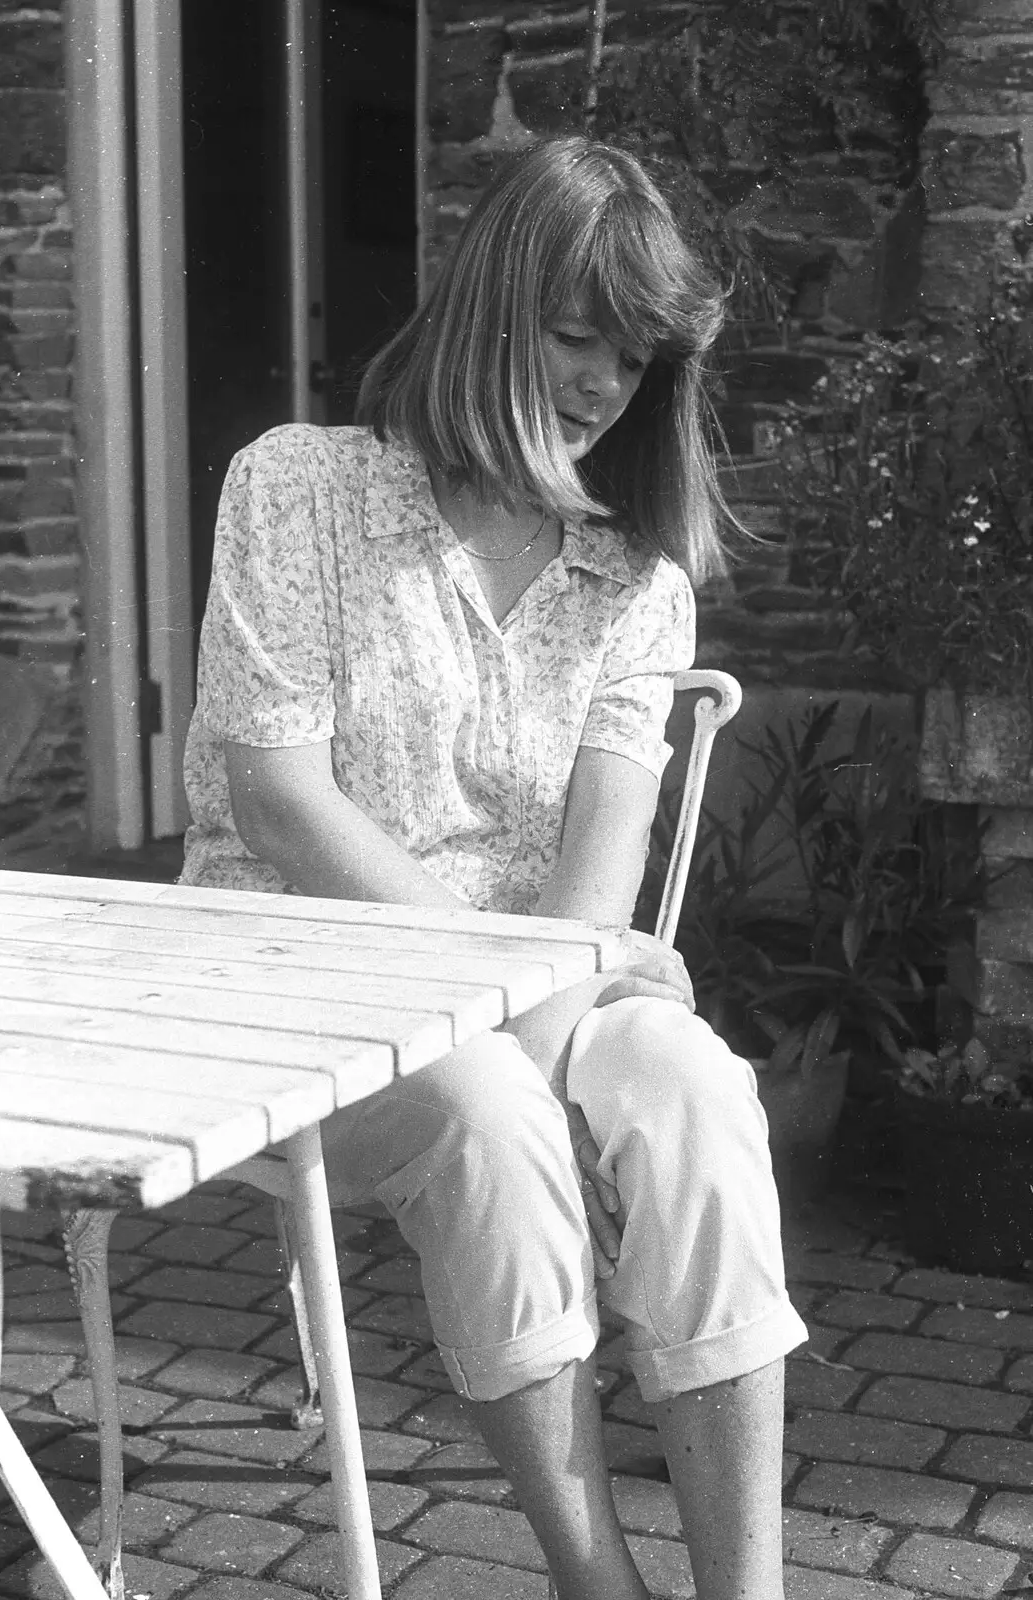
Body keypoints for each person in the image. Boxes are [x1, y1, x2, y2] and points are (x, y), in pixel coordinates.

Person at [181, 134, 807, 1600]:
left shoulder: (632, 581)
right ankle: (600, 1587)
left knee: (694, 1090)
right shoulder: (301, 491)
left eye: (635, 358)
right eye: (575, 335)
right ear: (485, 309)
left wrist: (557, 983)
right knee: (491, 1113)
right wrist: (520, 1000)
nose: (602, 386)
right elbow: (278, 800)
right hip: (302, 972)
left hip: (534, 980)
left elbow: (595, 885)